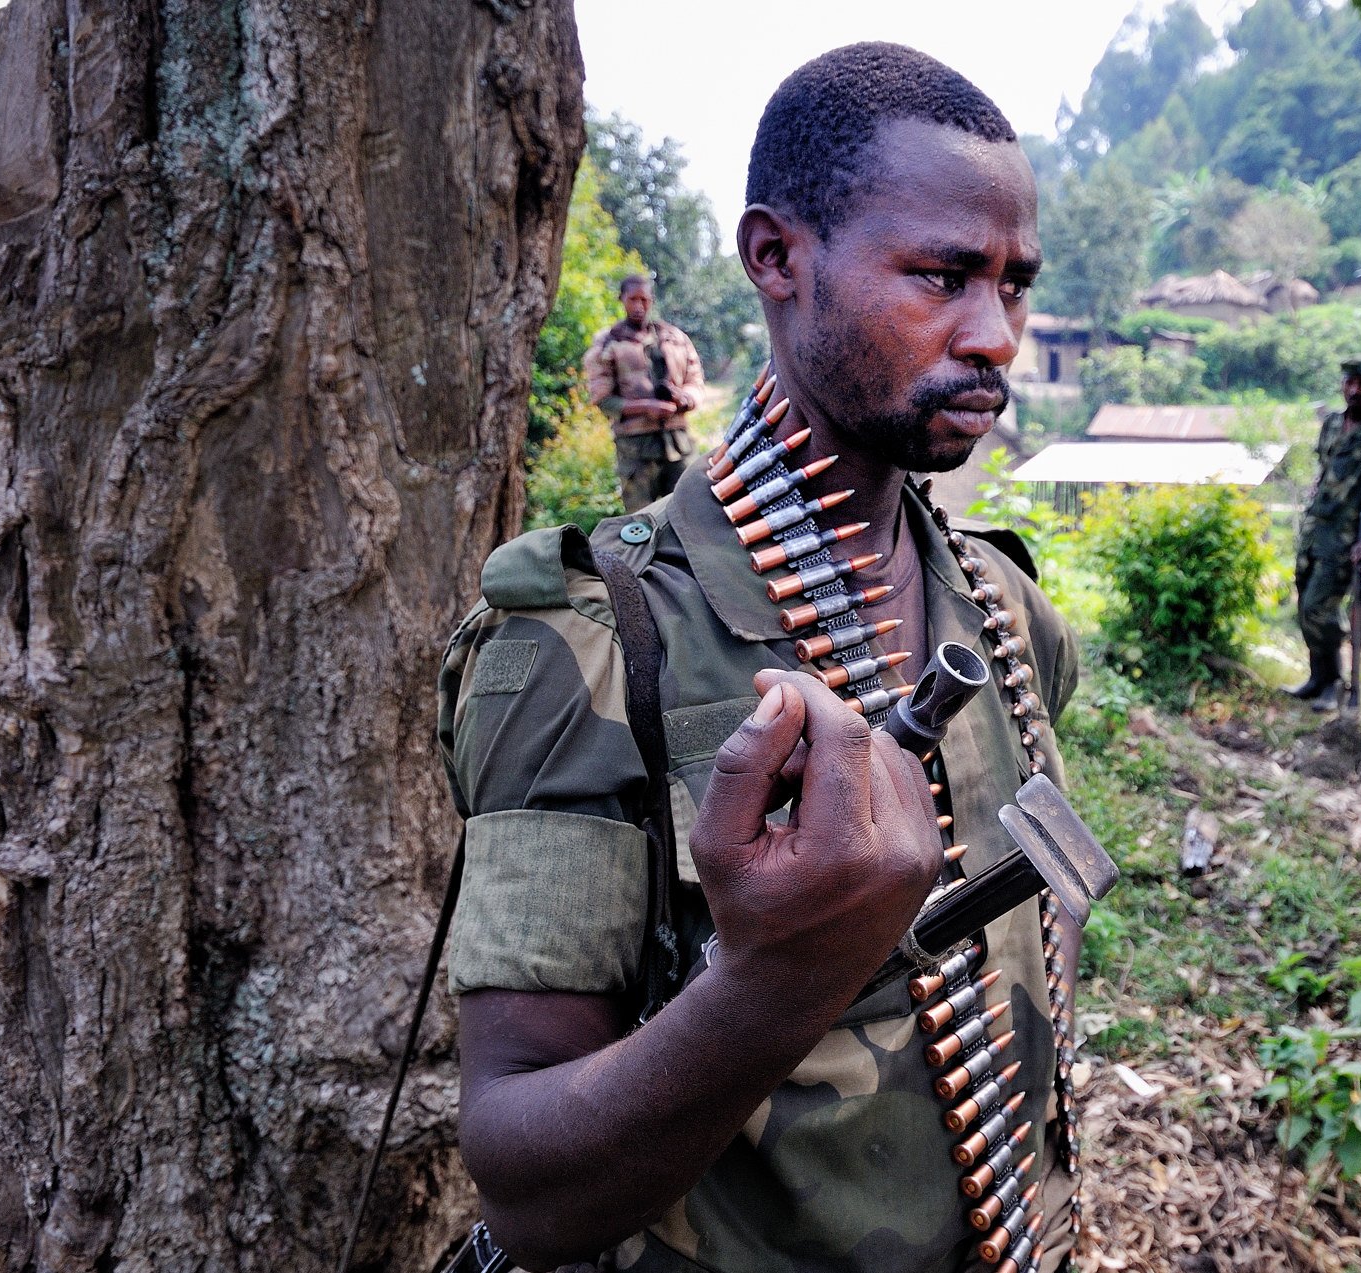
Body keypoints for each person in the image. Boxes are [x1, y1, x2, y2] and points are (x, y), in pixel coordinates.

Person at [436, 43, 1083, 1273]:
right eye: (940, 276)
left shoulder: (1004, 608)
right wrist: (777, 982)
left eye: (1013, 284)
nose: (994, 334)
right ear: (777, 259)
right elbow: (525, 1183)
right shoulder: (586, 640)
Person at [1289, 359, 1361, 711]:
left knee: (1318, 607)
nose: (1355, 391)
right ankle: (1318, 677)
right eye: (1350, 383)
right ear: (1342, 384)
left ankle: (1334, 683)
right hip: (1314, 526)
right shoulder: (1332, 423)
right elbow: (1324, 471)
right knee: (1304, 602)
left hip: (1346, 533)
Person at [585, 275, 710, 509]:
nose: (639, 306)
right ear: (621, 299)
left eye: (644, 299)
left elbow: (696, 383)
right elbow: (602, 400)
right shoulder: (607, 343)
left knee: (692, 512)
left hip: (678, 445)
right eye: (632, 299)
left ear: (651, 300)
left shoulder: (675, 338)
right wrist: (646, 408)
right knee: (640, 523)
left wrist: (681, 399)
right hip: (635, 451)